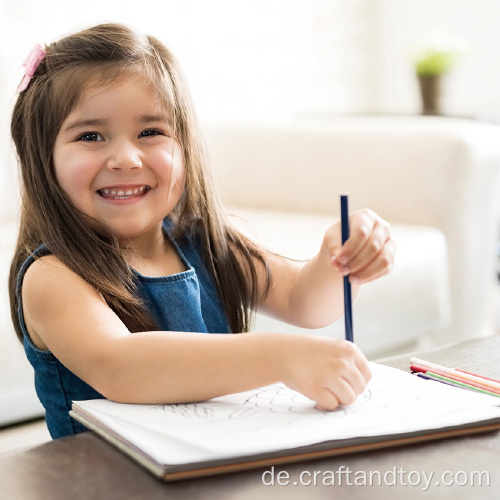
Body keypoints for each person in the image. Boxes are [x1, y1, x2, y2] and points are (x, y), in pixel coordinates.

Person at [9, 23, 395, 439]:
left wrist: (342, 256)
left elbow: (304, 300)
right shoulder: (52, 278)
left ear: (185, 145)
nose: (125, 157)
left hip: (213, 465)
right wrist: (280, 356)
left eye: (150, 132)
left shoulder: (206, 243)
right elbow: (122, 366)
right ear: (43, 160)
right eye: (90, 136)